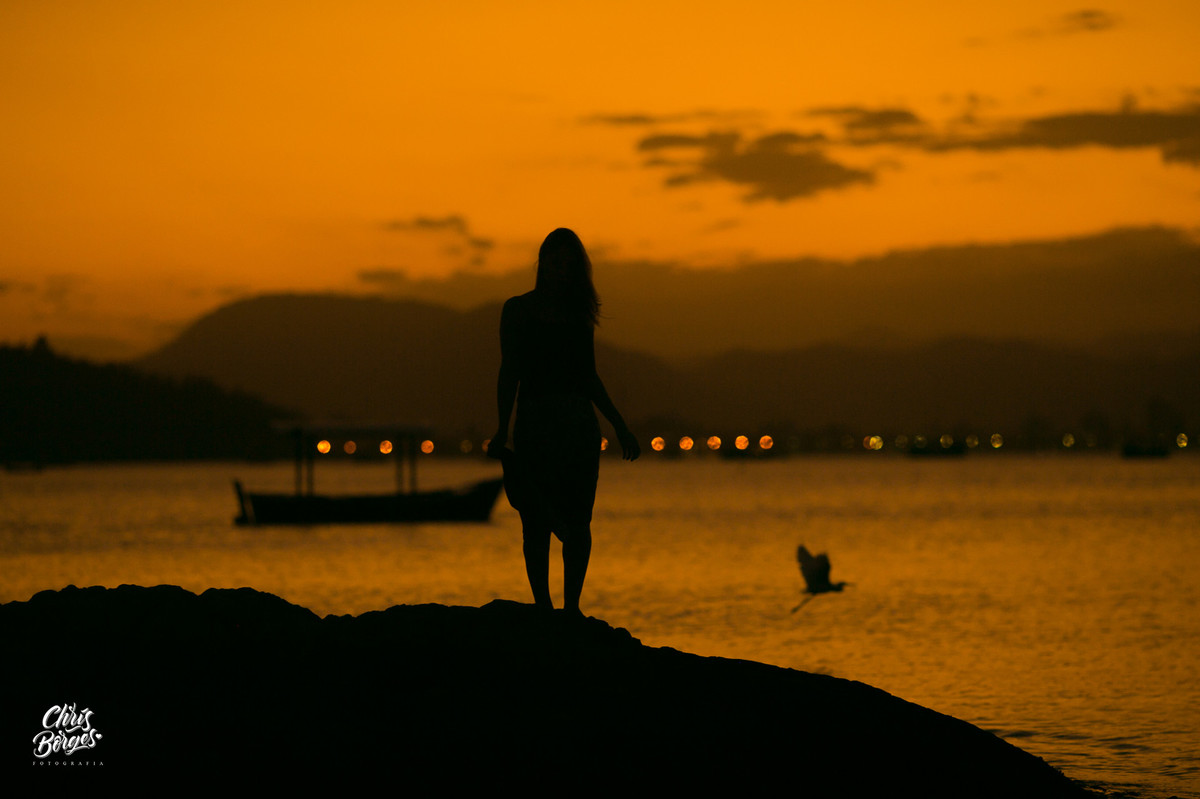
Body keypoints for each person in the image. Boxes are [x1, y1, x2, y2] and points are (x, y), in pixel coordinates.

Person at [488, 228, 639, 616]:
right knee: (534, 519)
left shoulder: (577, 316)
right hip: (536, 424)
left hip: (576, 427)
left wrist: (620, 426)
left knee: (577, 520)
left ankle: (571, 610)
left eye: (568, 265)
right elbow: (510, 373)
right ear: (543, 264)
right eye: (555, 263)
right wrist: (502, 428)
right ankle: (543, 608)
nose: (560, 271)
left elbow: (589, 376)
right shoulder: (518, 310)